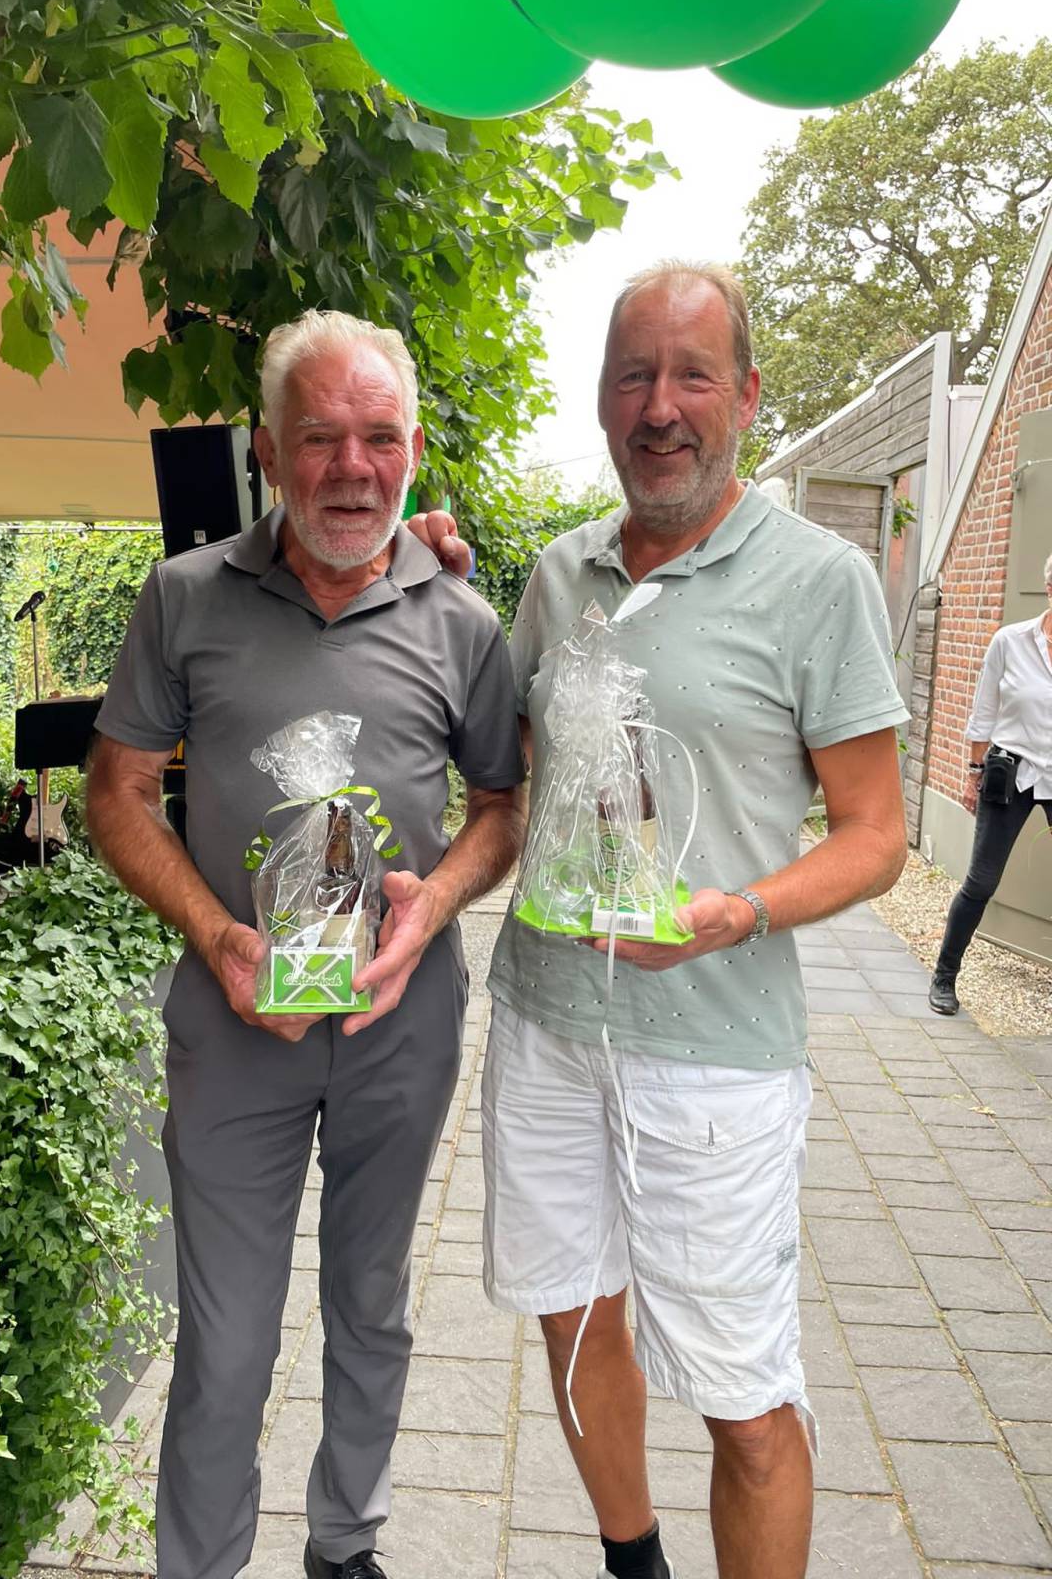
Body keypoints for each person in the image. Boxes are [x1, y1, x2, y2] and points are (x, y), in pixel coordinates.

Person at [411, 261, 908, 1579]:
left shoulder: (820, 580)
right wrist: (434, 592)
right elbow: (517, 773)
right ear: (602, 399)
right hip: (546, 1022)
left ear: (746, 395)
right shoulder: (559, 571)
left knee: (745, 1396)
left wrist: (741, 910)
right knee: (572, 1319)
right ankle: (634, 1561)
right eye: (634, 375)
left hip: (716, 1049)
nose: (661, 406)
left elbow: (878, 835)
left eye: (693, 374)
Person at [86, 310, 526, 1579]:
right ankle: (201, 1563)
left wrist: (434, 905)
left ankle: (345, 1544)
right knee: (225, 1337)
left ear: (413, 450)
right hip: (235, 1023)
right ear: (269, 453)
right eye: (320, 437)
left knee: (371, 1302)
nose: (352, 467)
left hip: (402, 1020)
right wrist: (218, 934)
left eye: (379, 437)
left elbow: (501, 807)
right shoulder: (184, 597)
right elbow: (116, 791)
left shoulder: (464, 622)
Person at [928, 553, 1052, 1014]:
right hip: (1010, 773)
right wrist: (973, 773)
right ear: (1050, 588)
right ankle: (944, 975)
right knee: (981, 881)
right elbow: (983, 711)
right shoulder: (1010, 641)